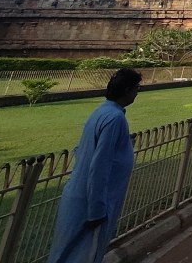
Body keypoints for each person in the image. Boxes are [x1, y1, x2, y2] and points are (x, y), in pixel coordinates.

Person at [48, 68, 142, 263]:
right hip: (93, 200)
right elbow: (99, 165)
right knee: (84, 255)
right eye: (136, 88)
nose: (137, 93)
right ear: (127, 91)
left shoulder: (102, 112)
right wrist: (97, 209)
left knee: (65, 255)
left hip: (80, 194)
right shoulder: (115, 118)